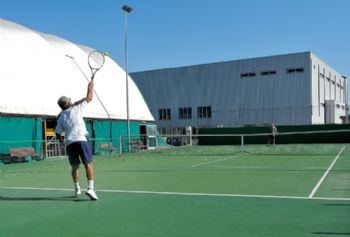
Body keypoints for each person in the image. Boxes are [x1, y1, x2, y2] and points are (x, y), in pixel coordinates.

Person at [55, 81, 98, 200]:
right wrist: (90, 88)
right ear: (68, 102)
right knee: (88, 165)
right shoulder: (77, 108)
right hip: (81, 140)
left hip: (70, 144)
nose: (71, 99)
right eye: (69, 99)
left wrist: (62, 142)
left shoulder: (60, 116)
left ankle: (77, 188)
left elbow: (57, 133)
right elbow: (89, 98)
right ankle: (90, 188)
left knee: (75, 167)